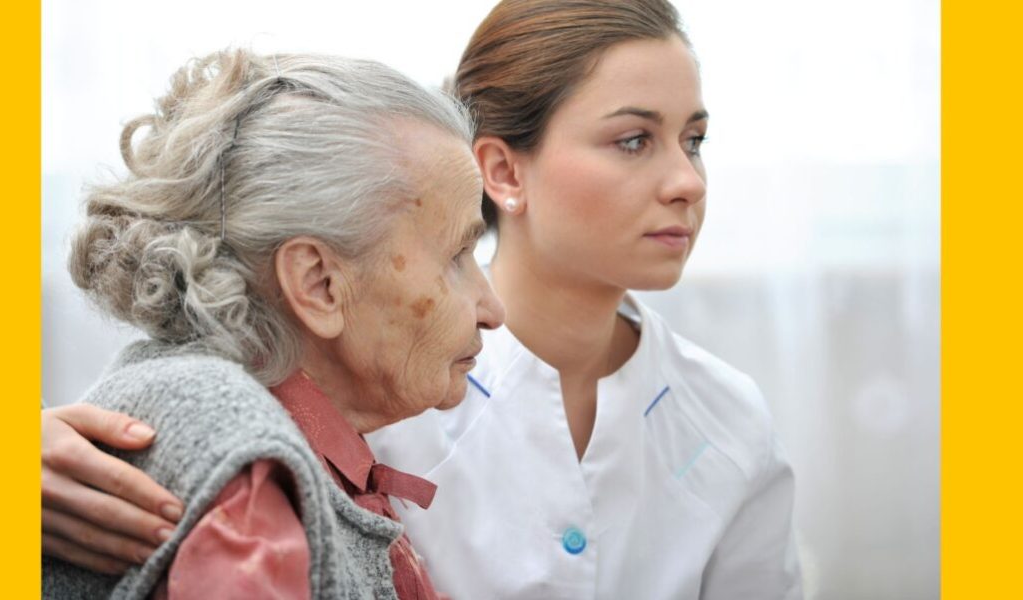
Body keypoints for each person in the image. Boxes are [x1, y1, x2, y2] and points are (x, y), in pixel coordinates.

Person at [43, 1, 803, 598]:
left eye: (695, 140)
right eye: (633, 139)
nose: (689, 182)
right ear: (502, 172)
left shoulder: (731, 419)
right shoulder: (342, 402)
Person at [42, 48, 503, 599]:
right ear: (318, 284)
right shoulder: (249, 479)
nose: (492, 308)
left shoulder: (215, 412)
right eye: (457, 255)